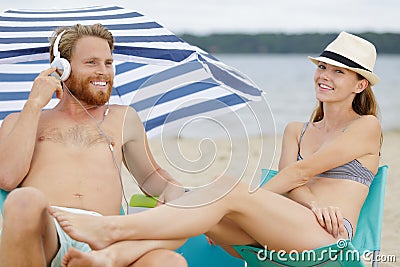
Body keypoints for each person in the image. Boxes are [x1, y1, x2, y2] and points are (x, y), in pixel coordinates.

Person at [51, 31, 382, 266]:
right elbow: (291, 183)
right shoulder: (296, 130)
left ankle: (111, 229)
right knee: (201, 208)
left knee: (224, 189)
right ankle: (108, 258)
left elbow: (300, 172)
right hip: (282, 233)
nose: (325, 76)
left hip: (329, 242)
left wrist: (235, 201)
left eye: (339, 72)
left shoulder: (366, 126)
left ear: (360, 84)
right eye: (323, 67)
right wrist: (308, 201)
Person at [0, 24, 189, 267]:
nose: (103, 72)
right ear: (61, 68)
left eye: (108, 63)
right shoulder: (22, 120)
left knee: (169, 262)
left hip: (105, 237)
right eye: (91, 62)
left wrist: (174, 188)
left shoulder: (123, 118)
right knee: (24, 199)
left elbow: (151, 176)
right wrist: (34, 103)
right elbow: (6, 177)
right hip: (49, 234)